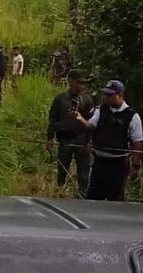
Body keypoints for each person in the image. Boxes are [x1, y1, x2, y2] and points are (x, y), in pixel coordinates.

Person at [74, 79, 143, 201]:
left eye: (109, 95)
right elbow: (90, 126)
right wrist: (80, 119)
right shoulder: (100, 110)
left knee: (114, 200)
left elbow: (137, 142)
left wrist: (135, 166)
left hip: (119, 164)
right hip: (100, 161)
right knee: (93, 197)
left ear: (119, 95)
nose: (106, 97)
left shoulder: (132, 116)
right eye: (105, 94)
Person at [46, 69, 94, 198]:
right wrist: (49, 137)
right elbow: (52, 119)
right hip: (65, 138)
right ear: (71, 82)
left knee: (84, 170)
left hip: (82, 139)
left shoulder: (87, 99)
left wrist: (90, 141)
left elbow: (92, 122)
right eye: (79, 83)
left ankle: (82, 195)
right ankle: (59, 192)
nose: (81, 86)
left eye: (83, 83)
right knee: (62, 168)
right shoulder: (60, 99)